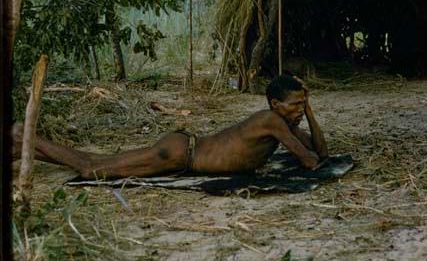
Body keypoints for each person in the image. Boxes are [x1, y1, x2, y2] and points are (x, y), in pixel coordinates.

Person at [12, 74, 328, 180]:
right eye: (296, 105)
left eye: (303, 105)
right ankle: (23, 136)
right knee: (91, 168)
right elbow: (311, 161)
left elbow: (320, 152)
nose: (299, 110)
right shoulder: (273, 122)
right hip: (179, 153)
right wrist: (305, 123)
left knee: (95, 164)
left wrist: (309, 111)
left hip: (181, 151)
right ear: (275, 105)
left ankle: (20, 148)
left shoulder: (281, 122)